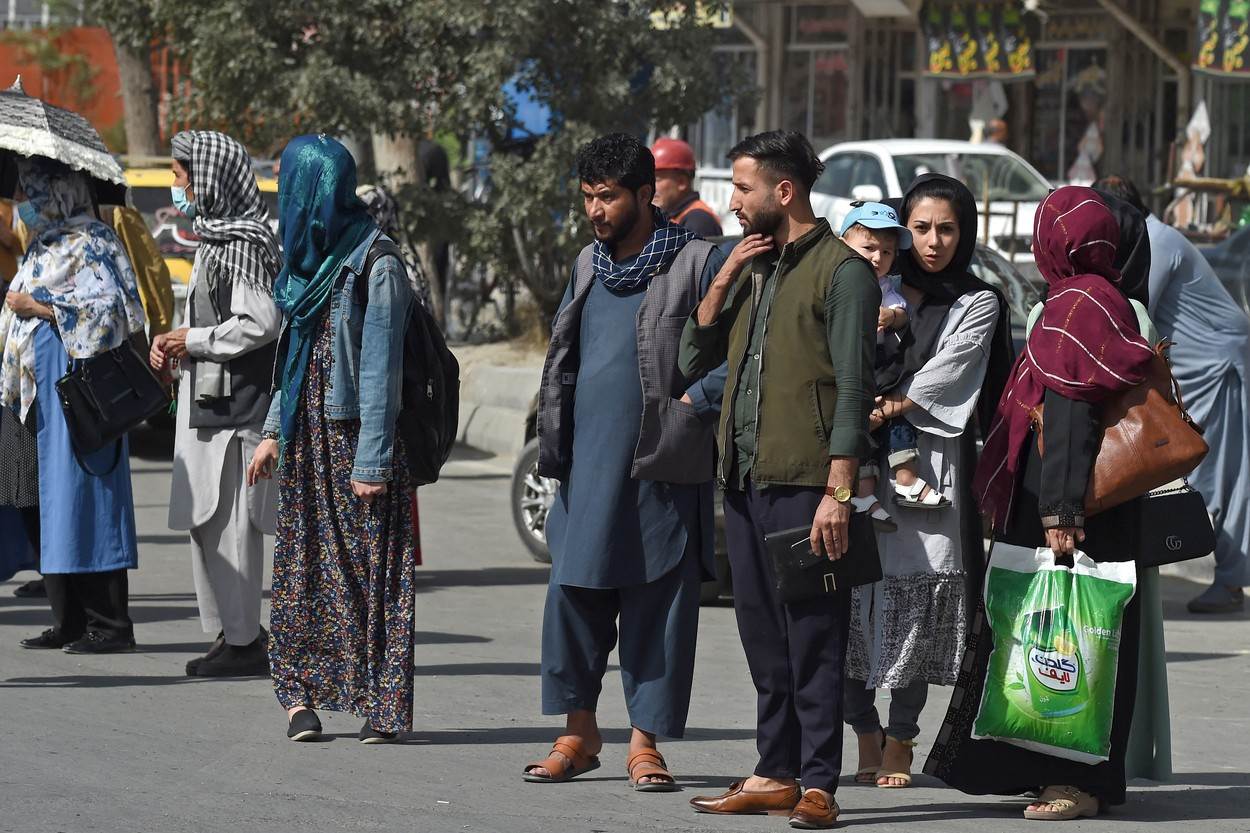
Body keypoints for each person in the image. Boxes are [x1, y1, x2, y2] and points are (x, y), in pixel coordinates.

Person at [929, 186, 1158, 820]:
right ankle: (1055, 769)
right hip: (1096, 499)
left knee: (1074, 631)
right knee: (1069, 632)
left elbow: (1071, 408)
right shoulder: (1105, 299)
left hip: (1073, 500)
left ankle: (1074, 781)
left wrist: (1061, 514)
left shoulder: (1077, 303)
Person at [679, 130, 878, 830]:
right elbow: (692, 353)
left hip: (808, 484)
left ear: (782, 192)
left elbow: (856, 386)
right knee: (763, 636)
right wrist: (727, 275)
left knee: (814, 637)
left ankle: (818, 781)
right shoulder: (755, 265)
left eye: (742, 188)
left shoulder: (844, 272)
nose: (732, 201)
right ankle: (774, 770)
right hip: (743, 479)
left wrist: (840, 491)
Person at [522, 133, 725, 792]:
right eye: (587, 197)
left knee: (656, 604)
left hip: (660, 466)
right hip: (586, 466)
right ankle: (578, 733)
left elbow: (742, 346)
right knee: (573, 596)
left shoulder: (697, 262)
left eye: (608, 197)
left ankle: (646, 743)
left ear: (646, 193)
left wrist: (697, 400)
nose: (596, 210)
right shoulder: (588, 263)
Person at [247, 135, 418, 743]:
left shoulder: (376, 261)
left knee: (371, 573)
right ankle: (300, 699)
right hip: (308, 441)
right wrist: (273, 433)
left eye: (291, 188)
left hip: (356, 440)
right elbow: (291, 359)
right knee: (304, 570)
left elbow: (382, 370)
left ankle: (380, 704)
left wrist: (371, 460)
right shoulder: (304, 263)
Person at [843, 174, 1011, 790]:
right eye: (920, 228)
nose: (934, 241)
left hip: (932, 470)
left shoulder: (977, 301)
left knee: (916, 600)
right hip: (854, 463)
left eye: (948, 228)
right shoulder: (863, 285)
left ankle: (902, 737)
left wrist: (878, 410)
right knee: (851, 603)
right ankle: (862, 727)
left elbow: (943, 379)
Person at [151, 130, 282, 677]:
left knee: (233, 525)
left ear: (209, 176)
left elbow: (261, 321)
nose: (175, 184)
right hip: (209, 402)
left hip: (239, 414)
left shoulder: (244, 243)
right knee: (207, 520)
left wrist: (194, 341)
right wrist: (174, 345)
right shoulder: (212, 239)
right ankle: (235, 633)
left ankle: (247, 640)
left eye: (181, 173)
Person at [1, 156, 144, 653]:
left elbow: (115, 315)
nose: (23, 205)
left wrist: (41, 308)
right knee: (48, 502)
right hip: (36, 394)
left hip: (80, 394)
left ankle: (110, 623)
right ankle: (69, 620)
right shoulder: (45, 244)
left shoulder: (95, 243)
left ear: (59, 192)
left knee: (87, 498)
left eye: (32, 192)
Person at [1095, 175, 1250, 615]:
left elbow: (1132, 312)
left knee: (1216, 474)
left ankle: (1232, 578)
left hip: (1214, 369)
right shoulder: (1152, 238)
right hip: (1195, 369)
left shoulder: (1156, 242)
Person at [836, 201, 933, 533]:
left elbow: (902, 312)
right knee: (855, 432)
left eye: (887, 252)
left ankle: (905, 477)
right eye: (869, 248)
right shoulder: (834, 282)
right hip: (847, 374)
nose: (877, 258)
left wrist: (890, 316)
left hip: (879, 372)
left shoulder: (885, 288)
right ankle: (863, 495)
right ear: (842, 244)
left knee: (895, 423)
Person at [651, 137, 722, 237]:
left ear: (681, 182)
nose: (650, 187)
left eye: (657, 180)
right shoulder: (672, 215)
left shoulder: (698, 221)